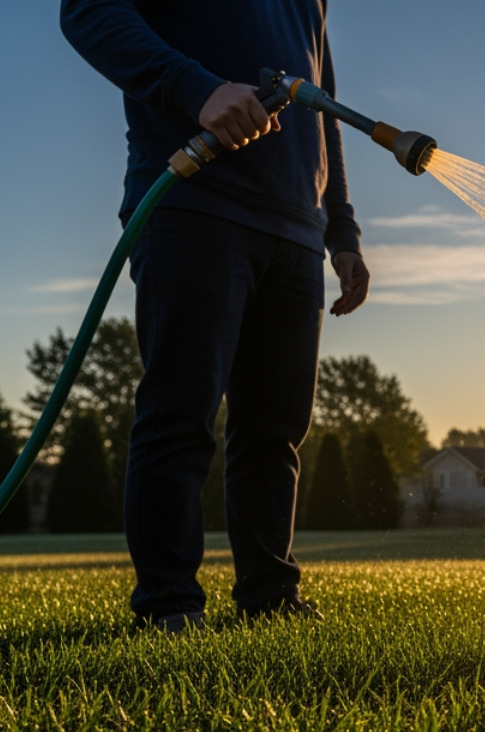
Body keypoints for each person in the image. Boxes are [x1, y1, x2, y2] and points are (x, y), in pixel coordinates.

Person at [61, 0, 369, 631]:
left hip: (295, 227)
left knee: (275, 429)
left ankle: (270, 597)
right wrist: (197, 90)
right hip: (192, 200)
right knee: (181, 414)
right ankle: (168, 605)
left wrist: (341, 229)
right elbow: (89, 11)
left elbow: (320, 106)